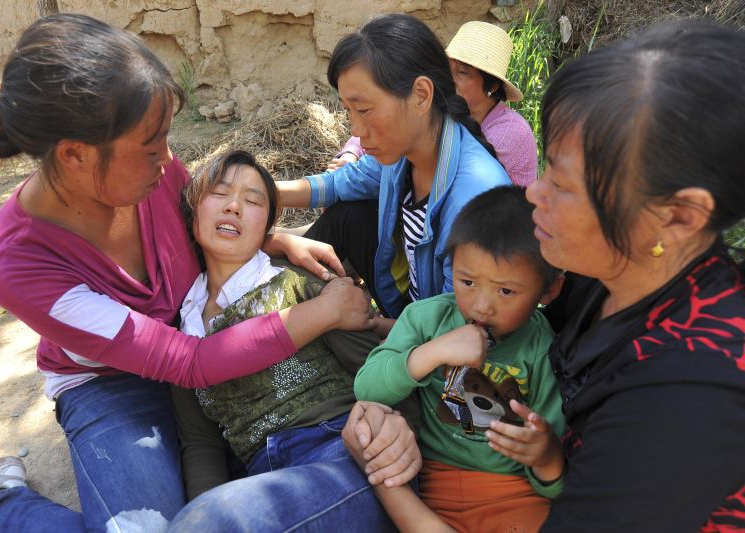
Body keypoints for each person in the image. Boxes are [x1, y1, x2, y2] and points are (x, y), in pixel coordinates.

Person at [0, 13, 379, 533]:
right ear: (76, 156)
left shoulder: (147, 176)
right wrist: (320, 312)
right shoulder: (15, 265)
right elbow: (191, 362)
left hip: (209, 353)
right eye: (153, 149)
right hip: (117, 382)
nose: (169, 161)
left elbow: (205, 221)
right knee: (142, 529)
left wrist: (270, 240)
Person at [518, 19, 745, 531]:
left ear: (680, 216)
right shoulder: (610, 272)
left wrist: (393, 491)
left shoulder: (688, 399)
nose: (535, 191)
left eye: (563, 182)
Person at [169, 150, 411, 531]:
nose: (234, 207)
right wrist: (200, 509)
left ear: (267, 226)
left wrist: (401, 441)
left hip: (338, 450)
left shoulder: (298, 281)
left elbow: (380, 369)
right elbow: (200, 444)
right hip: (260, 479)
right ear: (193, 210)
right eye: (219, 193)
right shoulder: (182, 327)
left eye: (252, 201)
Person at [279, 14, 511, 335]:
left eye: (364, 110)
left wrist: (369, 324)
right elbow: (342, 182)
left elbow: (456, 329)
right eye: (348, 110)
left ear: (420, 95)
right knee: (345, 214)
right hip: (405, 308)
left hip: (435, 345)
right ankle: (272, 293)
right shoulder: (408, 149)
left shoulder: (475, 199)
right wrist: (269, 192)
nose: (356, 131)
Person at [353, 186, 565, 532]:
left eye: (505, 290)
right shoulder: (425, 320)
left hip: (512, 491)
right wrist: (432, 352)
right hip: (429, 482)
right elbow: (368, 387)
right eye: (467, 281)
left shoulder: (541, 348)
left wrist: (547, 458)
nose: (482, 305)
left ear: (549, 290)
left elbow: (553, 474)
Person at [332, 21, 538, 187]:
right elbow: (390, 124)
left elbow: (443, 177)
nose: (451, 78)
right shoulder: (442, 106)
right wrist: (351, 153)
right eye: (448, 68)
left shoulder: (510, 133)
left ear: (491, 85)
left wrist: (344, 182)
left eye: (463, 73)